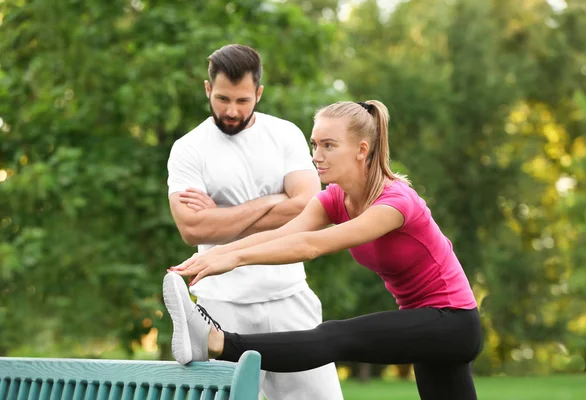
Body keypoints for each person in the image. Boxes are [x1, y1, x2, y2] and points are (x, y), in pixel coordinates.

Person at [164, 99, 483, 400]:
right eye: (315, 144)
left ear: (362, 149)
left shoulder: (395, 203)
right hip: (425, 323)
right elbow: (282, 235)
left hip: (451, 320)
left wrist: (234, 258)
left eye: (329, 145)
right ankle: (213, 338)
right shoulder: (334, 199)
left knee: (336, 337)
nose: (317, 155)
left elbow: (311, 246)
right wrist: (212, 255)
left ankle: (216, 341)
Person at [165, 44, 343, 400]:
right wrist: (273, 201)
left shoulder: (286, 135)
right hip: (220, 305)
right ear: (207, 89)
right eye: (222, 98)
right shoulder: (188, 149)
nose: (231, 110)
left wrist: (221, 217)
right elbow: (192, 229)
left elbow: (310, 207)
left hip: (290, 299)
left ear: (259, 93)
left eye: (243, 100)